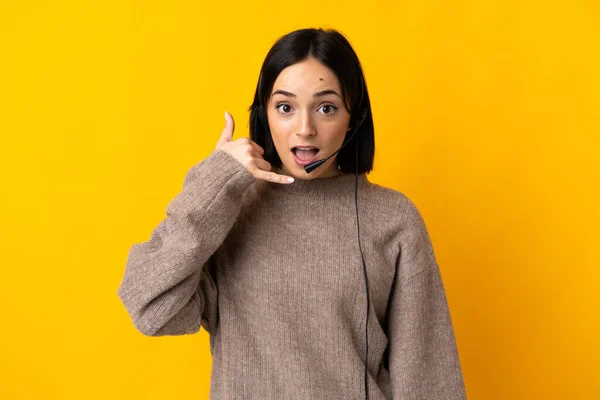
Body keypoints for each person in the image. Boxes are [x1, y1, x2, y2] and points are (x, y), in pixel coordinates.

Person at [116, 27, 467, 400]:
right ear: (264, 114)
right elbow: (149, 307)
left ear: (354, 117)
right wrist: (214, 183)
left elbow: (429, 377)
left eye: (326, 108)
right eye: (285, 107)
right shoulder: (230, 209)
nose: (305, 129)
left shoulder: (394, 219)